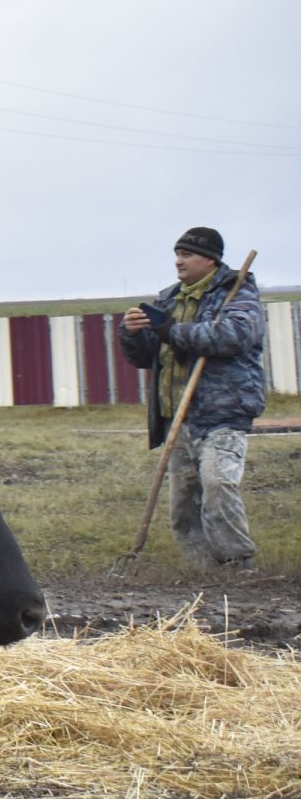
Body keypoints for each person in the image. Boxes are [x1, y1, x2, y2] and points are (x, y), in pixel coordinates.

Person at [119, 226, 265, 571]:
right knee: (183, 505)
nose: (178, 262)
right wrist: (132, 333)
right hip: (177, 417)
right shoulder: (169, 299)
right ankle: (204, 573)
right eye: (176, 255)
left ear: (210, 260)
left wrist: (172, 331)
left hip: (222, 412)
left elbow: (234, 335)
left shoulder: (237, 293)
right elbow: (145, 357)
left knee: (218, 486)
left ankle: (237, 563)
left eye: (186, 255)